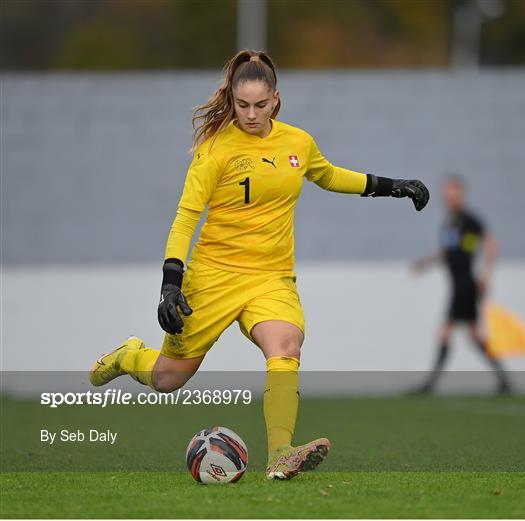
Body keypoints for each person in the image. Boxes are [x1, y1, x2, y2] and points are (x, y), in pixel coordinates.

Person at [90, 49, 429, 480]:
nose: (251, 114)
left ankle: (281, 453)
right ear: (231, 100)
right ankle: (127, 356)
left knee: (286, 347)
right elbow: (185, 217)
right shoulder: (214, 149)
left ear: (276, 100)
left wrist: (393, 186)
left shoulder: (297, 143)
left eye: (260, 105)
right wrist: (170, 284)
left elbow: (329, 175)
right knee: (167, 379)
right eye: (242, 105)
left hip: (271, 277)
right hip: (213, 276)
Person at [412, 175, 510, 394]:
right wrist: (425, 264)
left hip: (465, 285)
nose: (450, 197)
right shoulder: (450, 221)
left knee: (446, 333)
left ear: (461, 194)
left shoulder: (469, 220)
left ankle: (429, 384)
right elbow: (448, 252)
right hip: (458, 285)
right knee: (474, 337)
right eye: (447, 193)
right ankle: (504, 380)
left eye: (454, 192)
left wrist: (486, 276)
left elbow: (491, 245)